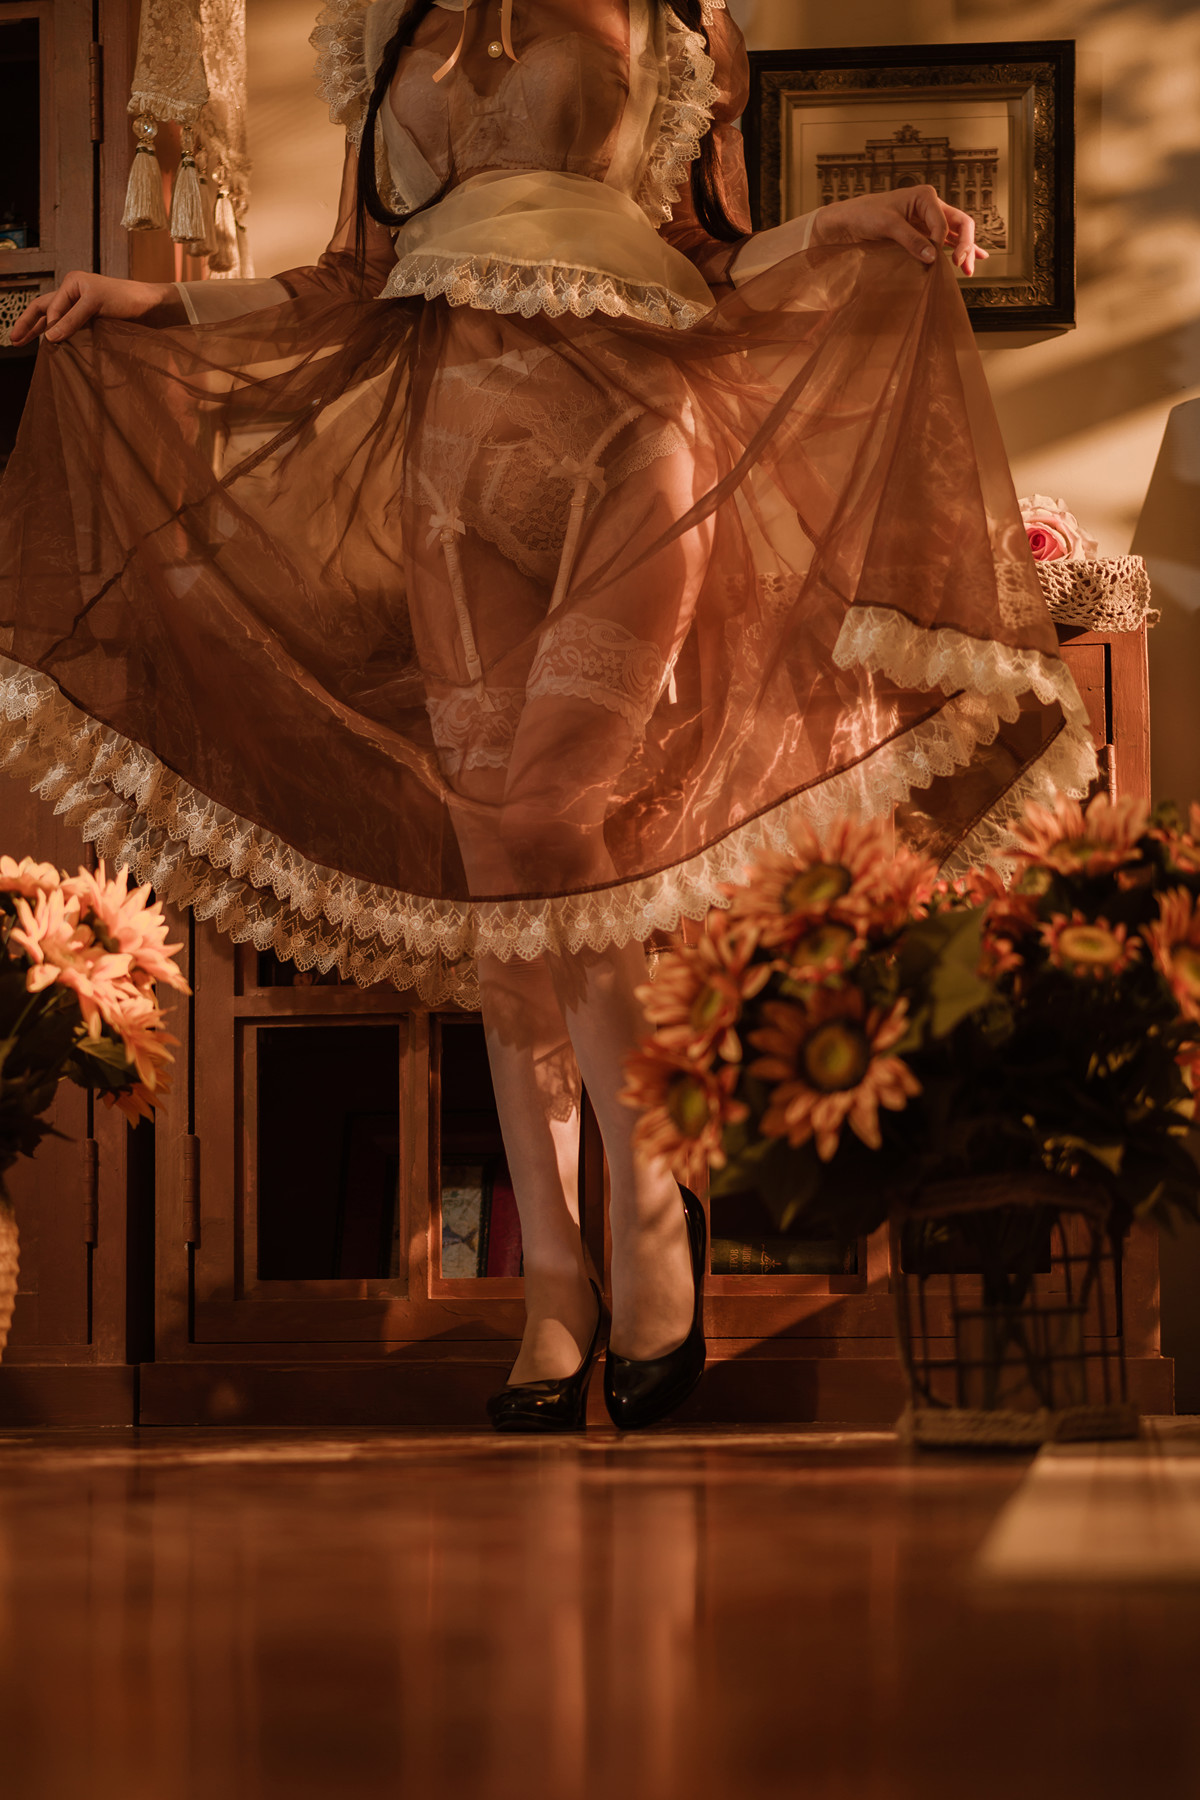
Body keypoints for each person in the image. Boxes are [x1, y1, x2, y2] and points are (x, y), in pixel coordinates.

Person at [0, 0, 1092, 1431]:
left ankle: (648, 1214)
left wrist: (848, 224)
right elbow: (352, 278)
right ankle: (556, 1282)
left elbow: (707, 251)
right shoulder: (384, 30)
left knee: (552, 818)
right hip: (453, 460)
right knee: (498, 862)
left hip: (635, 436)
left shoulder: (671, 19)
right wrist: (153, 304)